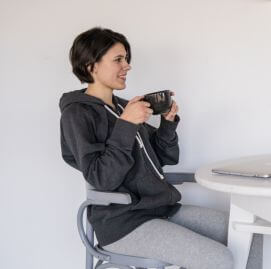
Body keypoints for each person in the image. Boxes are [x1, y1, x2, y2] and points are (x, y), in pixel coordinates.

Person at [60, 27, 233, 269]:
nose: (127, 66)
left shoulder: (123, 107)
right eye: (118, 59)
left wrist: (167, 125)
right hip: (123, 222)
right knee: (219, 259)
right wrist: (126, 124)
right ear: (91, 66)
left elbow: (164, 158)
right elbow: (101, 178)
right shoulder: (77, 113)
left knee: (244, 231)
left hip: (159, 208)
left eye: (127, 59)